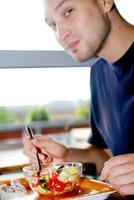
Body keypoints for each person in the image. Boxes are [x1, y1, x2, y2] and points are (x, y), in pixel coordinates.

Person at [23, 0, 134, 196]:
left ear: (105, 2)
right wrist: (67, 155)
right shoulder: (98, 73)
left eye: (68, 12)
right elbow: (107, 157)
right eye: (53, 25)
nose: (61, 34)